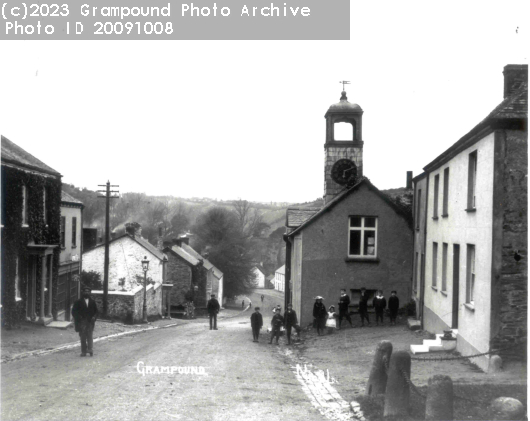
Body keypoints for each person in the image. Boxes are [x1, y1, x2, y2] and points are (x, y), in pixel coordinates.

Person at [72, 286, 99, 357]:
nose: (86, 292)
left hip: (90, 322)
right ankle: (83, 351)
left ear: (90, 293)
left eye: (88, 291)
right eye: (85, 291)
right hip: (82, 322)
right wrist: (79, 318)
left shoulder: (92, 302)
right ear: (82, 292)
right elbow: (74, 312)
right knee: (83, 336)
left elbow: (96, 311)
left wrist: (94, 317)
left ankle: (90, 349)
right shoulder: (78, 302)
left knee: (90, 336)